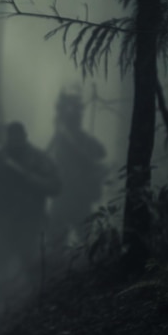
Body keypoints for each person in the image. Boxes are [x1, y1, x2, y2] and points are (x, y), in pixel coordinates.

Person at [0, 121, 61, 284]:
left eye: (19, 137)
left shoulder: (38, 159)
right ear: (7, 138)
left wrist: (32, 179)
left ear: (24, 137)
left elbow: (55, 185)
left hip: (29, 221)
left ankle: (32, 301)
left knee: (30, 263)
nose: (16, 141)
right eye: (12, 137)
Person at [47, 90, 107, 245]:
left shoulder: (84, 140)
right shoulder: (60, 138)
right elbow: (46, 158)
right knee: (56, 240)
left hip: (80, 196)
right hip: (63, 194)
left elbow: (101, 153)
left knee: (85, 240)